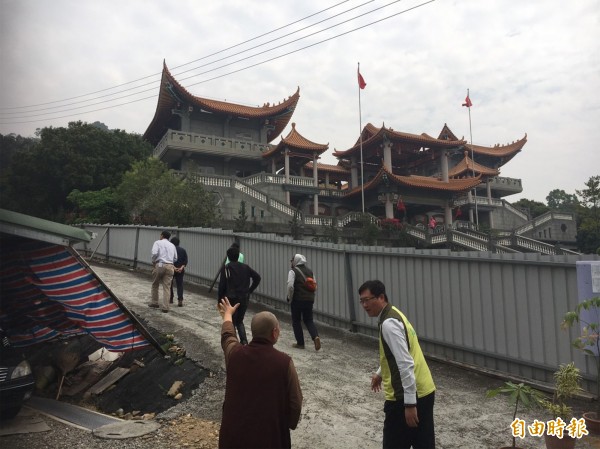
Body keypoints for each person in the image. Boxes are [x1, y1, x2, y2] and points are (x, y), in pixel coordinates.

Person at [359, 280, 436, 449]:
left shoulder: (389, 323)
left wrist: (409, 404)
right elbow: (399, 353)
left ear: (381, 297)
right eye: (362, 301)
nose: (364, 305)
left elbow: (405, 362)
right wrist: (380, 373)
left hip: (406, 396)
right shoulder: (393, 314)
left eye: (367, 300)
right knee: (422, 443)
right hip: (424, 390)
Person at [217, 297, 302, 448]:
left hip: (233, 438)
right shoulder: (284, 362)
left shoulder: (235, 354)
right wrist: (288, 423)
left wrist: (228, 315)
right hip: (270, 438)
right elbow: (295, 403)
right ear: (274, 333)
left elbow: (228, 337)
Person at [217, 246, 260, 345]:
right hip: (244, 298)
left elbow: (222, 285)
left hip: (231, 299)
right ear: (238, 256)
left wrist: (219, 299)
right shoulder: (246, 267)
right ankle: (244, 341)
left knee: (231, 321)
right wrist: (250, 290)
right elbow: (257, 277)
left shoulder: (226, 268)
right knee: (240, 321)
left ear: (228, 257)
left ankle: (232, 342)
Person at [287, 254, 321, 351]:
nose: (291, 262)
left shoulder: (293, 271)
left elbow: (290, 286)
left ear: (296, 261)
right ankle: (315, 337)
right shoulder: (310, 271)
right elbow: (315, 286)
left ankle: (300, 343)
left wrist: (290, 297)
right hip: (309, 300)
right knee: (309, 320)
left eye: (292, 260)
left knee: (296, 321)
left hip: (297, 300)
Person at [149, 230, 177, 313]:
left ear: (162, 235)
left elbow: (154, 253)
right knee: (167, 287)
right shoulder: (172, 245)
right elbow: (175, 258)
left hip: (160, 264)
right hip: (170, 266)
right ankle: (165, 307)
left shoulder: (157, 242)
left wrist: (154, 261)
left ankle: (155, 302)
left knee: (155, 284)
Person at [169, 236, 188, 307]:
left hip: (171, 269)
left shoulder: (170, 250)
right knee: (180, 285)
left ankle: (170, 298)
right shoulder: (183, 250)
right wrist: (181, 268)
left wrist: (174, 268)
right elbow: (185, 261)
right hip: (180, 270)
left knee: (169, 284)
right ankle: (180, 300)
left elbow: (169, 260)